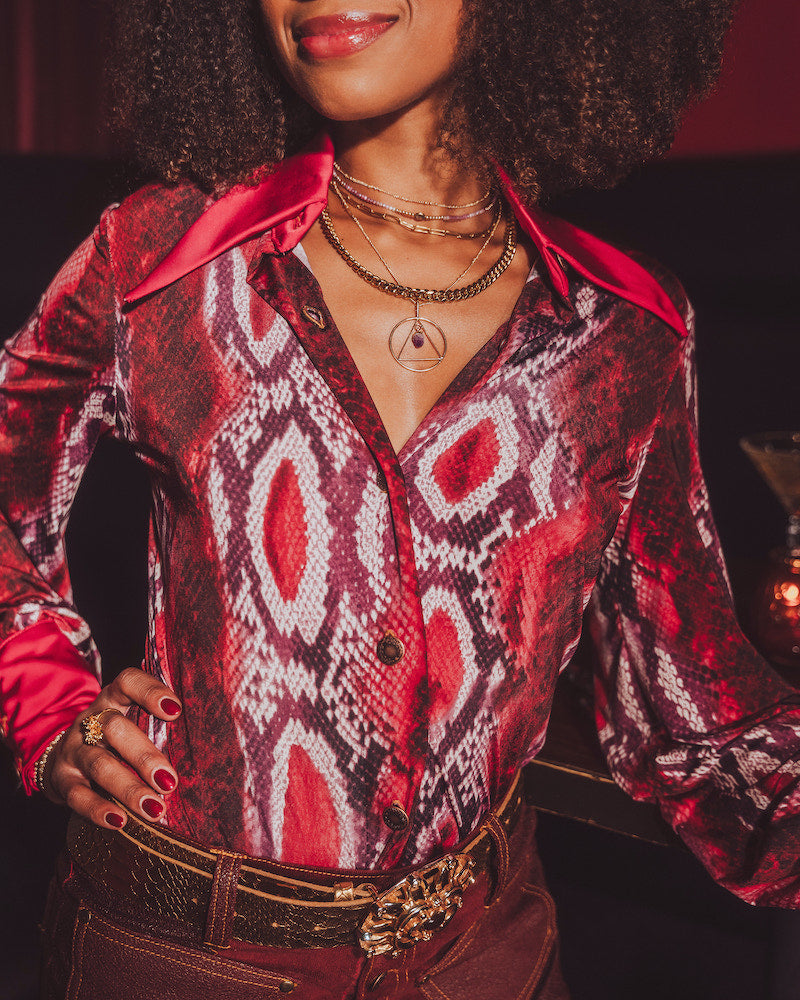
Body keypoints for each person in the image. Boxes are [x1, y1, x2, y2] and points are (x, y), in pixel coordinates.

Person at [2, 1, 799, 997]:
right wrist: (45, 698)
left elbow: (693, 700)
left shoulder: (624, 332)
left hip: (487, 957)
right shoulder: (166, 258)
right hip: (183, 958)